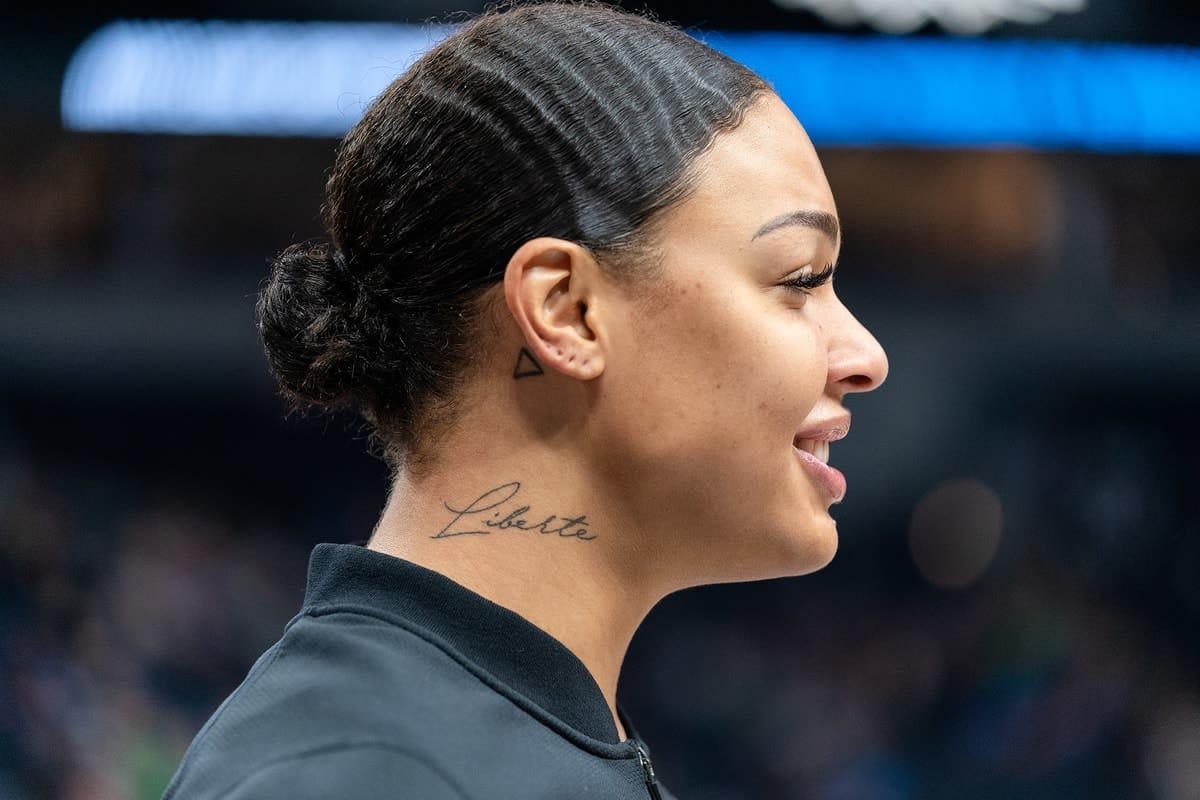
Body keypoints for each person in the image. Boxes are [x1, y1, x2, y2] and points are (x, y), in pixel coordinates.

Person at [163, 2, 888, 797]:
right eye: (800, 281)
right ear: (565, 311)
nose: (866, 357)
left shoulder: (485, 733)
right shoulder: (361, 773)